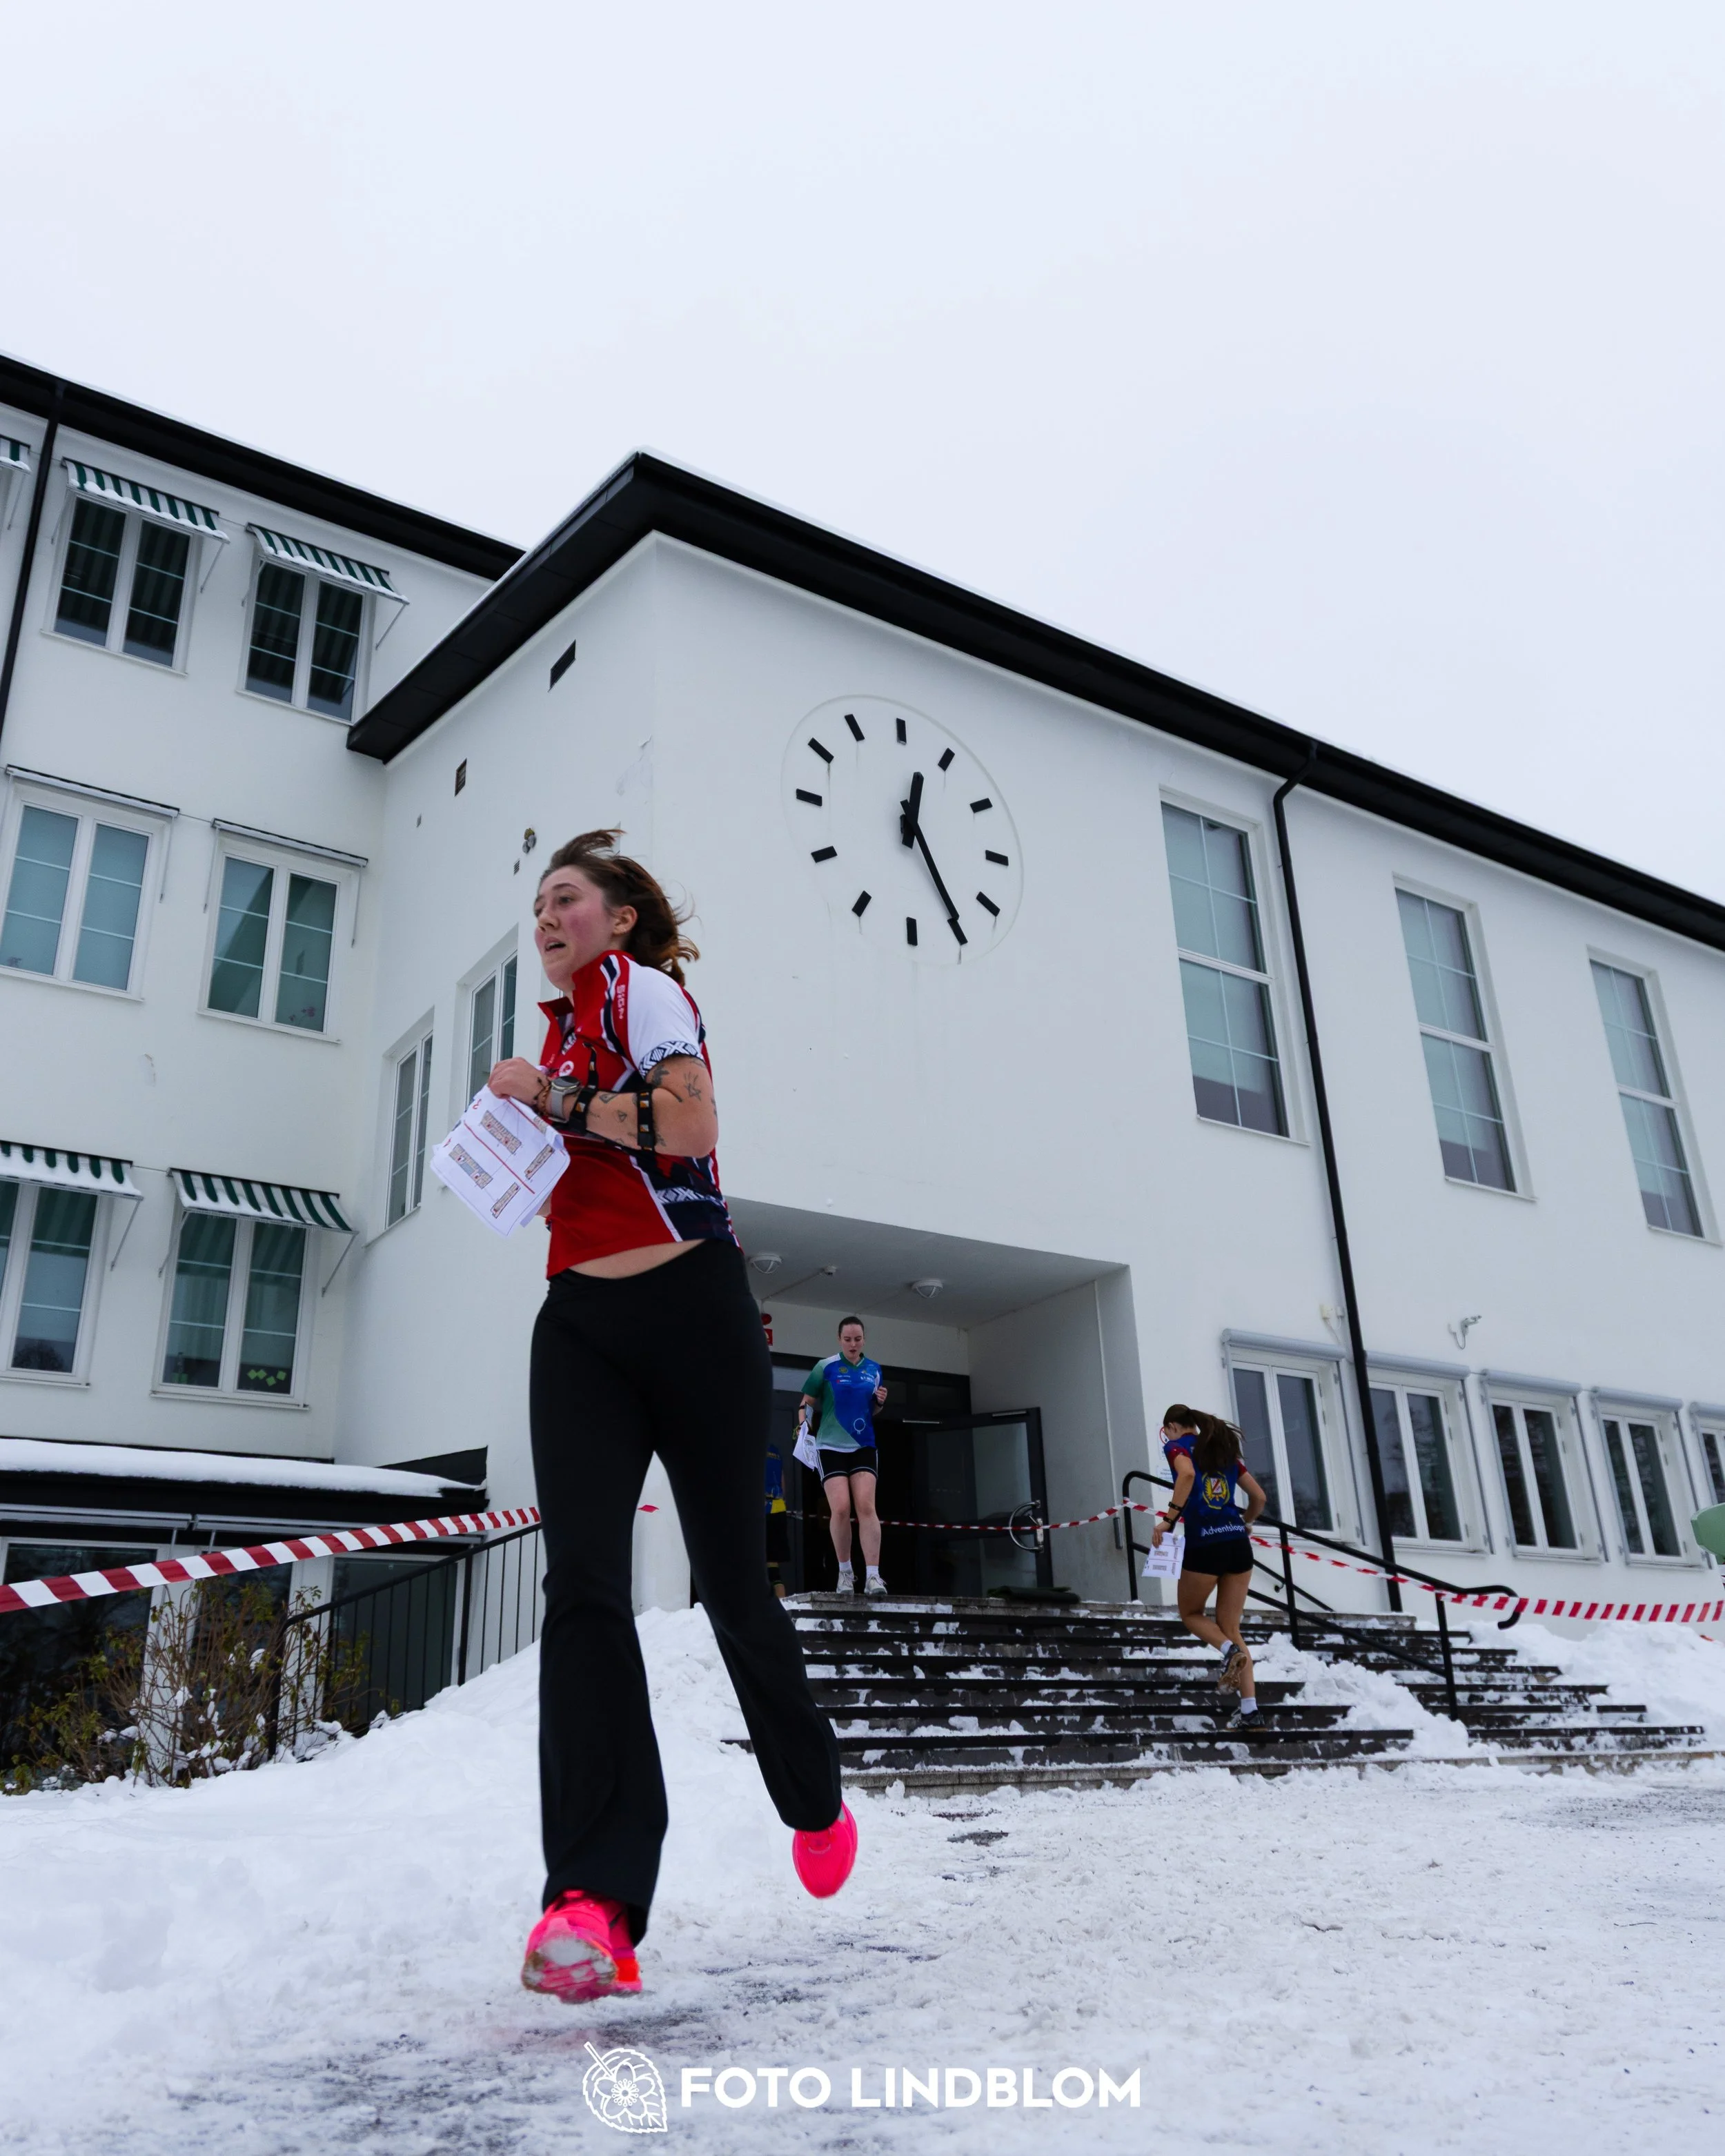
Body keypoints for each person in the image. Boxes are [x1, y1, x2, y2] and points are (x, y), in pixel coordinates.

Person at [488, 829, 854, 2007]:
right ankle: (591, 1900)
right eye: (537, 904)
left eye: (567, 899)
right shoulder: (547, 1032)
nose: (546, 917)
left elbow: (691, 1129)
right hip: (580, 1327)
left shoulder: (647, 996)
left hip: (694, 1311)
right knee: (583, 1589)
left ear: (619, 920)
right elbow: (567, 1160)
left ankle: (811, 1794)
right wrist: (504, 1134)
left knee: (731, 1586)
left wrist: (559, 1099)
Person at [1152, 1406, 1268, 1730]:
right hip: (1237, 1545)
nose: (1167, 1437)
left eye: (1167, 1431)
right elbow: (1259, 1496)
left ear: (1173, 1427)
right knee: (1231, 1626)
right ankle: (1250, 1711)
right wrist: (1245, 1522)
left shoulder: (1176, 1447)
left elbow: (1187, 1475)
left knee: (1191, 1614)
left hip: (1205, 1543)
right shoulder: (1223, 1450)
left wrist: (1168, 1520)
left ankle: (1229, 1652)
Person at [799, 1317, 889, 1596]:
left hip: (863, 1444)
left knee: (866, 1507)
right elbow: (806, 1402)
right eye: (848, 1339)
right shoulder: (824, 1367)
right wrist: (803, 1428)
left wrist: (879, 1403)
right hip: (829, 1446)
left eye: (858, 1339)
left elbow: (871, 1411)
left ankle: (874, 1576)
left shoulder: (874, 1369)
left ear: (864, 1340)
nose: (853, 1344)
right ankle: (845, 1573)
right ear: (839, 1339)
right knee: (840, 1509)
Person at [764, 1443, 790, 1596]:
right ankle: (783, 1609)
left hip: (760, 1510)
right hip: (779, 1508)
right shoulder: (776, 1451)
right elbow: (783, 1483)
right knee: (774, 1569)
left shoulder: (749, 1450)